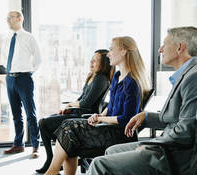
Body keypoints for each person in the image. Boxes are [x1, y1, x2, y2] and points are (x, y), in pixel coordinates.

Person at [87, 26, 197, 175]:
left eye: (165, 44)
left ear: (180, 48)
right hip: (168, 147)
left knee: (99, 164)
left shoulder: (193, 78)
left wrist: (152, 144)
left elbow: (186, 131)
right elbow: (176, 120)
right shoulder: (185, 75)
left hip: (175, 155)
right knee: (111, 151)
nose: (160, 49)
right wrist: (146, 116)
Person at [45, 36, 150, 175]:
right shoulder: (117, 76)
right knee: (68, 131)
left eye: (112, 49)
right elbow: (111, 106)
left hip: (120, 133)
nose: (109, 54)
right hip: (107, 127)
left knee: (69, 128)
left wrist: (101, 119)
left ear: (124, 51)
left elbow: (126, 119)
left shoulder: (132, 82)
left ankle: (51, 172)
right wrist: (100, 115)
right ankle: (52, 171)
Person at [35, 49, 115, 173]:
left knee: (44, 123)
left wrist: (72, 104)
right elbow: (81, 98)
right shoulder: (92, 76)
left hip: (84, 116)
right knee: (45, 122)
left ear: (103, 64)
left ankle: (54, 159)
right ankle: (55, 157)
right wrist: (68, 108)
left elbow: (85, 103)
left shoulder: (101, 79)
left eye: (95, 61)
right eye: (91, 60)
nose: (91, 63)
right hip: (76, 112)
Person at [2, 10, 42, 158]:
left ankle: (35, 146)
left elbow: (38, 59)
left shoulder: (29, 37)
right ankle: (18, 144)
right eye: (7, 18)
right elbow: (4, 57)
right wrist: (9, 72)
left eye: (10, 17)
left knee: (30, 113)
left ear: (19, 19)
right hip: (10, 79)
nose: (8, 20)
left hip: (24, 79)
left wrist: (29, 73)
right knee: (16, 114)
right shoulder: (7, 38)